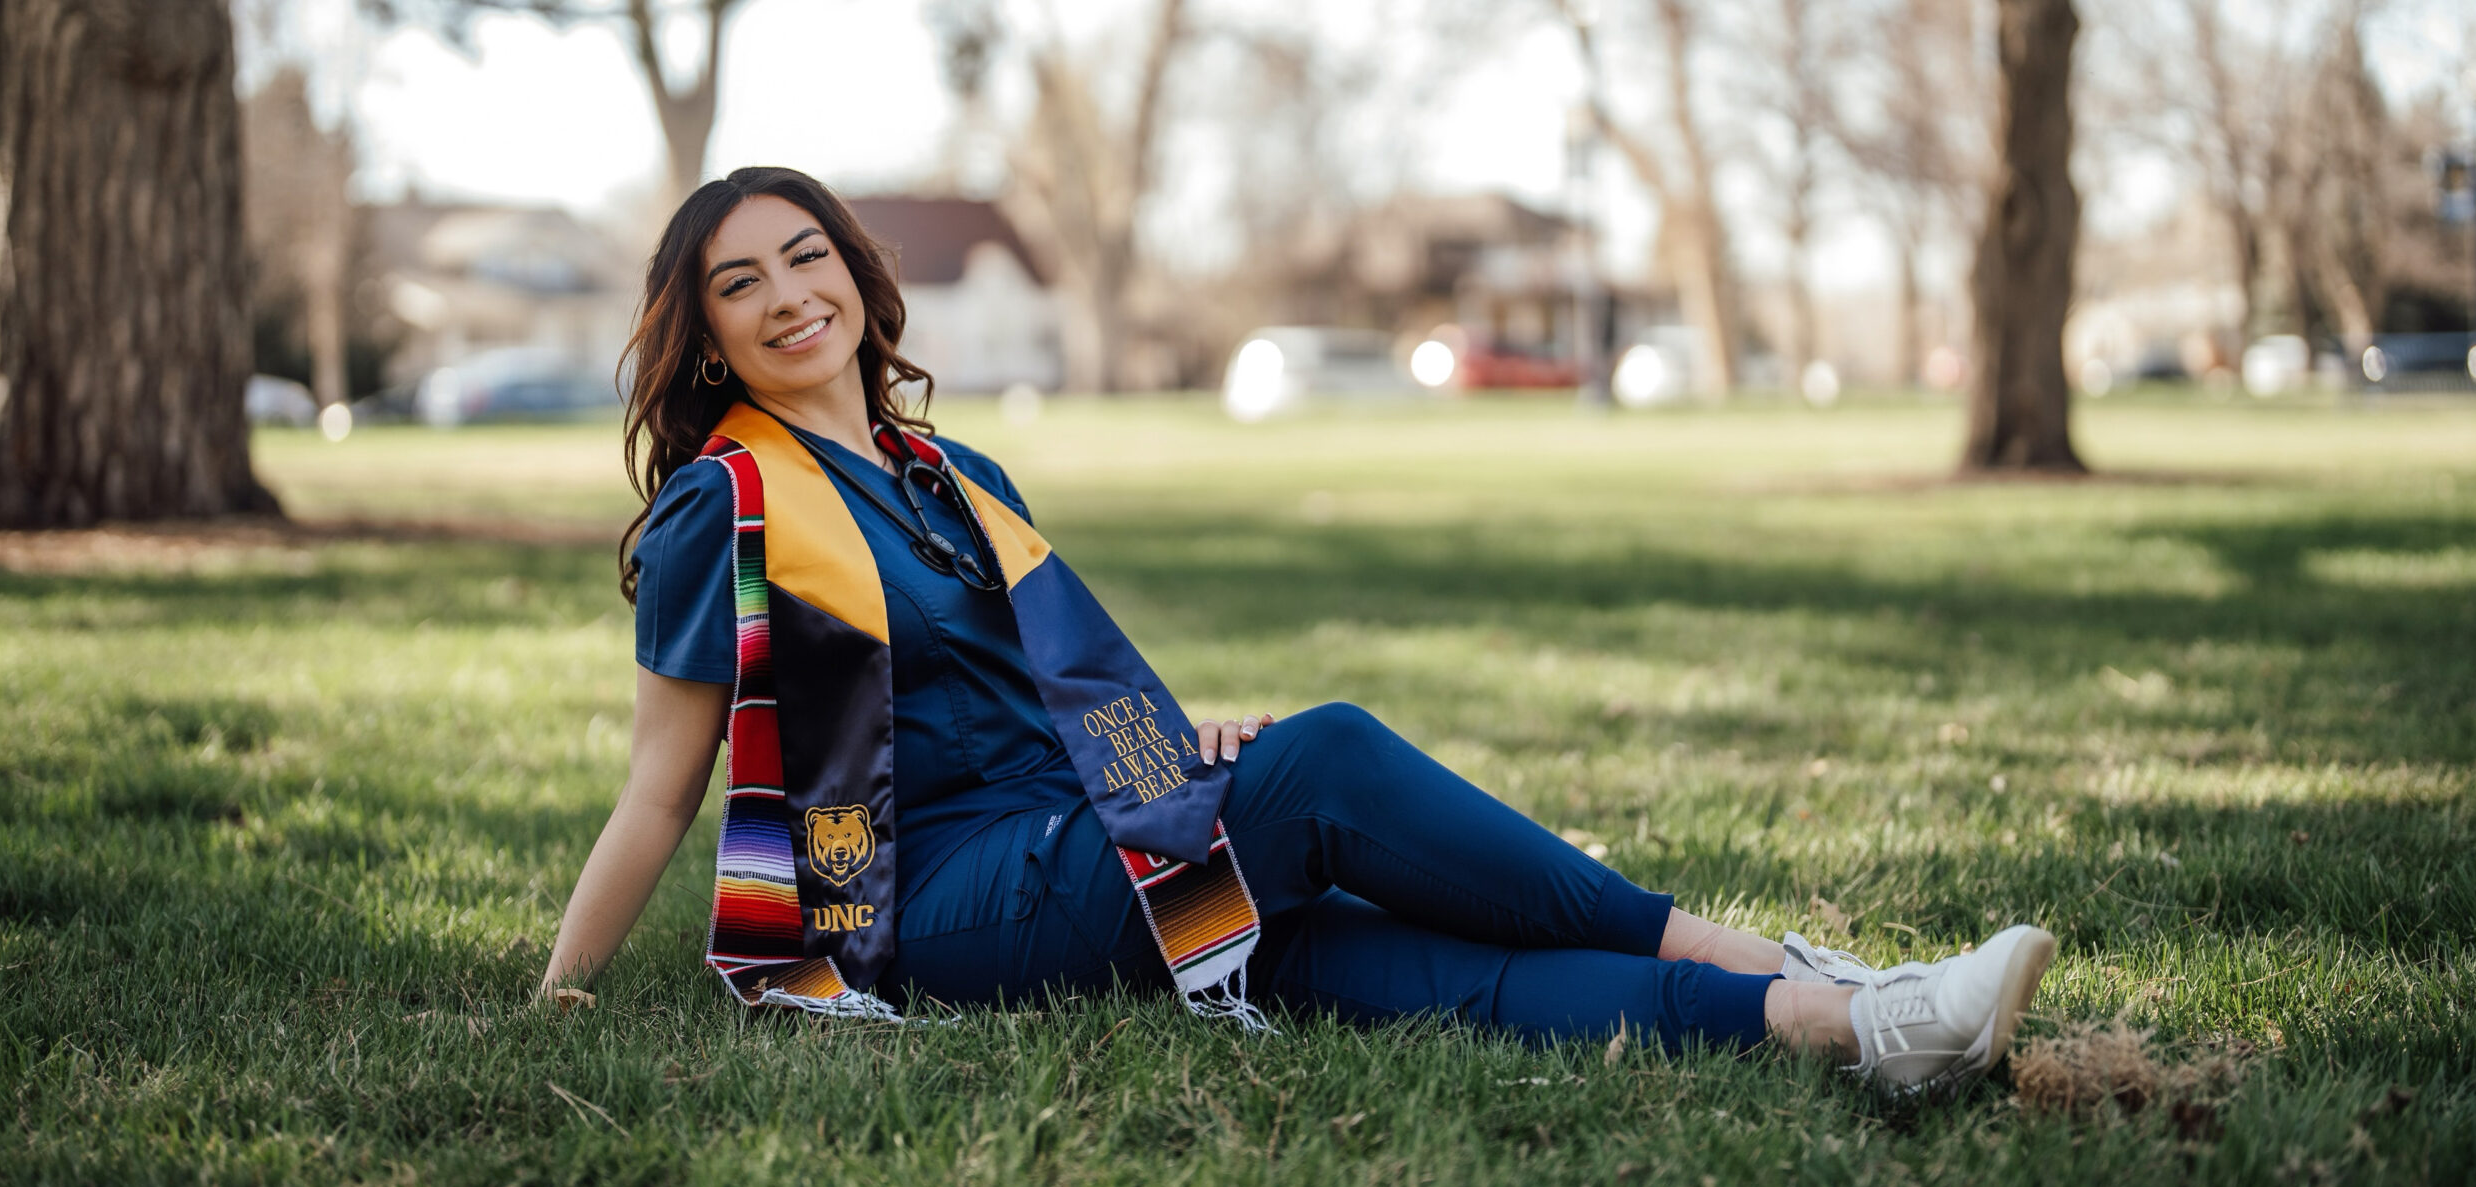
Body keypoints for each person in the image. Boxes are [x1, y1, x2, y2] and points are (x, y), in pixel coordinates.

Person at [540, 167, 2056, 1098]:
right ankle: (1787, 959)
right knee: (1323, 759)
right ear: (712, 334)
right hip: (929, 903)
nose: (787, 296)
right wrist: (559, 1003)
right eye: (740, 285)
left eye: (806, 257)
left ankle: (1853, 1023)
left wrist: (1176, 753)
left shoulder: (953, 476)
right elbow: (660, 791)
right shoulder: (721, 513)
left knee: (1377, 958)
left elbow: (1067, 694)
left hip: (1077, 830)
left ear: (858, 280)